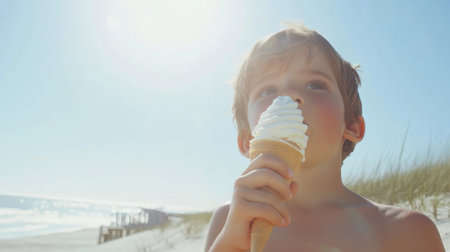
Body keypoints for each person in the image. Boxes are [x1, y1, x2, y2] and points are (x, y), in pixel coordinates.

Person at [204, 22, 445, 252]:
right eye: (267, 90)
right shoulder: (230, 222)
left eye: (314, 85)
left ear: (351, 125)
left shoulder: (406, 230)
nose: (288, 95)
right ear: (247, 141)